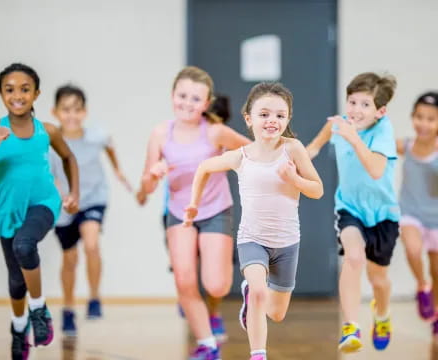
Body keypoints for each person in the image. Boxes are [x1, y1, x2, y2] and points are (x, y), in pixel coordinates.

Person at [184, 81, 323, 360]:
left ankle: (250, 298)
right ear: (249, 119)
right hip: (252, 239)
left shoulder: (293, 149)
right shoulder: (241, 156)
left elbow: (317, 190)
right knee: (260, 291)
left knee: (277, 313)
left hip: (287, 243)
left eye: (280, 115)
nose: (272, 120)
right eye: (264, 114)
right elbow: (204, 168)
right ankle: (258, 354)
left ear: (287, 119)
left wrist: (294, 179)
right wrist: (194, 204)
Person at [0, 63, 79, 360]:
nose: (17, 95)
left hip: (43, 202)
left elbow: (69, 158)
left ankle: (39, 310)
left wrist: (73, 193)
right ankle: (19, 328)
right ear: (1, 93)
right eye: (10, 89)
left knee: (25, 246)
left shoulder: (47, 130)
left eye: (25, 89)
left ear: (36, 94)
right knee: (17, 282)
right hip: (8, 212)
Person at [137, 66, 250, 359]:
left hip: (215, 210)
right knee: (184, 280)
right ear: (172, 95)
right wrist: (154, 173)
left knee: (216, 284)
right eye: (182, 95)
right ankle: (207, 344)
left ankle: (229, 301)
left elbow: (252, 152)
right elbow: (147, 186)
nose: (187, 103)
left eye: (195, 98)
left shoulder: (215, 132)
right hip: (179, 213)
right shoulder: (160, 133)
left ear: (207, 102)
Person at [306, 72, 399, 353]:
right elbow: (326, 132)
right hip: (350, 209)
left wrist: (353, 138)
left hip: (383, 215)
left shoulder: (383, 131)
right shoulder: (340, 125)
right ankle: (350, 327)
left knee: (378, 280)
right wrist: (310, 150)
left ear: (380, 111)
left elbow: (375, 170)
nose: (355, 110)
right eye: (352, 102)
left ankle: (381, 316)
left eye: (365, 104)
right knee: (353, 257)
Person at [49, 84, 132, 336]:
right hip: (64, 204)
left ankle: (95, 297)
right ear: (55, 112)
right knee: (70, 259)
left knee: (92, 243)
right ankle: (68, 308)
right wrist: (63, 197)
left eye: (77, 109)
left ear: (85, 112)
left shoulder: (96, 135)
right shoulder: (50, 140)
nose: (72, 115)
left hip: (94, 197)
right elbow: (49, 174)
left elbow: (109, 145)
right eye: (66, 110)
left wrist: (117, 170)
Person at [396, 92, 438, 335]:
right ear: (412, 117)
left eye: (431, 119)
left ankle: (435, 311)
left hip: (436, 219)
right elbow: (375, 146)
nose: (423, 123)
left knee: (437, 271)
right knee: (412, 249)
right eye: (419, 117)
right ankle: (422, 287)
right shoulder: (406, 146)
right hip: (411, 213)